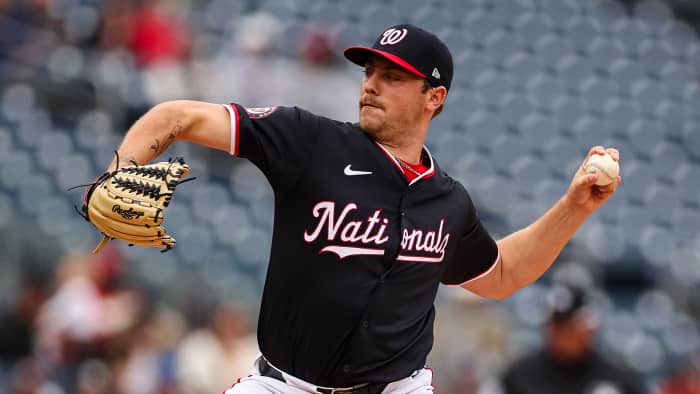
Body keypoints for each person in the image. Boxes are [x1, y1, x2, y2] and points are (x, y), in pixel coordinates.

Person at [100, 24, 621, 393]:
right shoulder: (310, 142)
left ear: (433, 97)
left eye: (393, 76)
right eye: (370, 70)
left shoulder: (448, 201)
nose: (370, 83)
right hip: (287, 386)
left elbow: (500, 274)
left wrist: (575, 205)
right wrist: (119, 172)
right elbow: (178, 116)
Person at [500, 285, 643, 394]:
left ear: (588, 327)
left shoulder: (615, 379)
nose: (559, 331)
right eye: (555, 323)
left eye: (567, 324)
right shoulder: (520, 374)